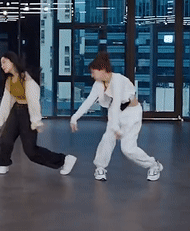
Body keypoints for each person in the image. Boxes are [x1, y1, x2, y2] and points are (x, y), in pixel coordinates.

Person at [70, 51, 164, 182]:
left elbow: (116, 102)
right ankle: (100, 167)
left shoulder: (118, 80)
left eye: (93, 72)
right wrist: (74, 118)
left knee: (128, 149)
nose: (92, 75)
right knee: (107, 139)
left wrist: (116, 127)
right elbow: (89, 101)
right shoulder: (98, 85)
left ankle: (154, 165)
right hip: (115, 113)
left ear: (102, 70)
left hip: (131, 113)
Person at [0, 51, 77, 175]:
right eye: (1, 64)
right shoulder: (9, 81)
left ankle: (65, 160)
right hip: (16, 111)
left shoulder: (27, 78)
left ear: (13, 61)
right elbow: (6, 103)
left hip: (27, 113)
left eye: (4, 62)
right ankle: (3, 163)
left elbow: (34, 102)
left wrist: (36, 121)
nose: (2, 66)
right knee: (4, 141)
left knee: (31, 151)